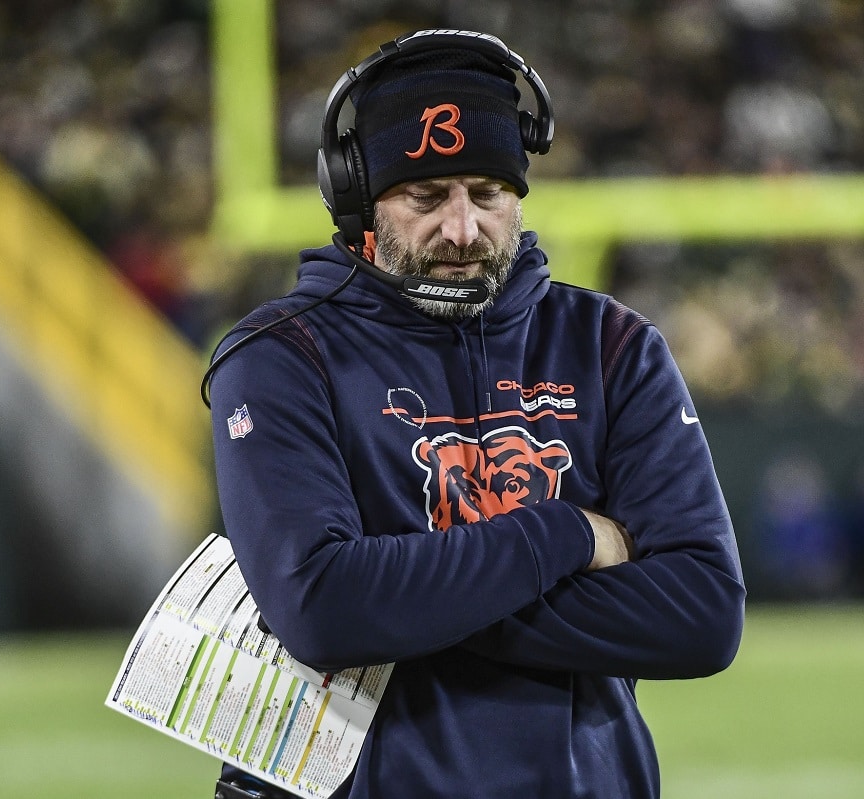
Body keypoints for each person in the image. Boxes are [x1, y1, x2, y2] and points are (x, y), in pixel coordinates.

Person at [205, 29, 745, 799]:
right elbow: (322, 607)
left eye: (488, 194)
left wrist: (405, 597)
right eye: (426, 196)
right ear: (359, 198)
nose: (463, 230)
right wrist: (564, 534)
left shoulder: (611, 345)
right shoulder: (280, 356)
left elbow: (702, 613)